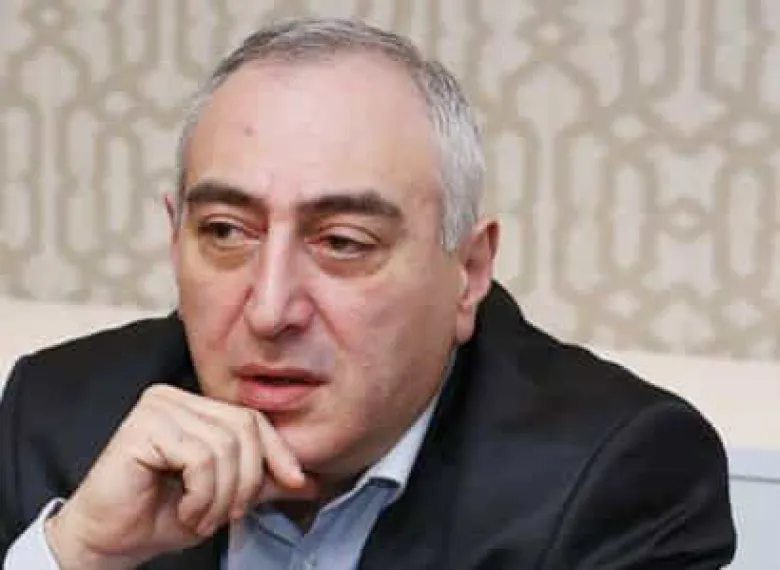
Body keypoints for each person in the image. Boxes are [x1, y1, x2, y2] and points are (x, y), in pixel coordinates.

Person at [0, 17, 735, 570]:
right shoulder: (59, 421)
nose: (270, 310)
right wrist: (74, 555)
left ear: (468, 271)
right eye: (226, 232)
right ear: (174, 238)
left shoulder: (617, 478)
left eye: (343, 243)